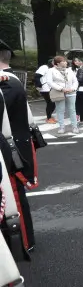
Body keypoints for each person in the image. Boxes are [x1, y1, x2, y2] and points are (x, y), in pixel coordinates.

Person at [0, 42, 40, 254]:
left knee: (14, 196)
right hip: (10, 145)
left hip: (10, 149)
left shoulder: (6, 83)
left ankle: (24, 241)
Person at [45, 56, 78, 134]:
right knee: (60, 110)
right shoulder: (51, 71)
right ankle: (61, 127)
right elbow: (50, 82)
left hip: (71, 92)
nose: (65, 63)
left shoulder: (69, 70)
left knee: (72, 109)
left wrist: (73, 88)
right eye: (63, 61)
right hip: (59, 92)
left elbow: (75, 81)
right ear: (58, 63)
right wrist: (61, 88)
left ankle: (75, 126)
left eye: (65, 61)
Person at [34, 58, 56, 123]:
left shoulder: (52, 69)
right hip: (45, 88)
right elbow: (37, 76)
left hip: (50, 88)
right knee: (50, 103)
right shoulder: (44, 67)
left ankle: (49, 116)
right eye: (53, 62)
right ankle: (49, 118)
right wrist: (39, 85)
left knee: (52, 103)